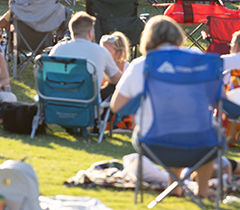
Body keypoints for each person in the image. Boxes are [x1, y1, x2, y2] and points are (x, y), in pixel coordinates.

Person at [111, 16, 216, 200]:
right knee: (204, 128)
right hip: (201, 143)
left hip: (155, 142)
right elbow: (218, 98)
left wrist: (141, 99)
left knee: (170, 125)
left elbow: (117, 106)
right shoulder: (199, 61)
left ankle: (174, 186)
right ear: (177, 35)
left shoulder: (141, 65)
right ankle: (202, 189)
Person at [51, 12, 122, 99]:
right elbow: (118, 80)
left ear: (72, 32)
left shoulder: (58, 49)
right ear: (90, 33)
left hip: (57, 104)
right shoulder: (100, 51)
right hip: (88, 107)